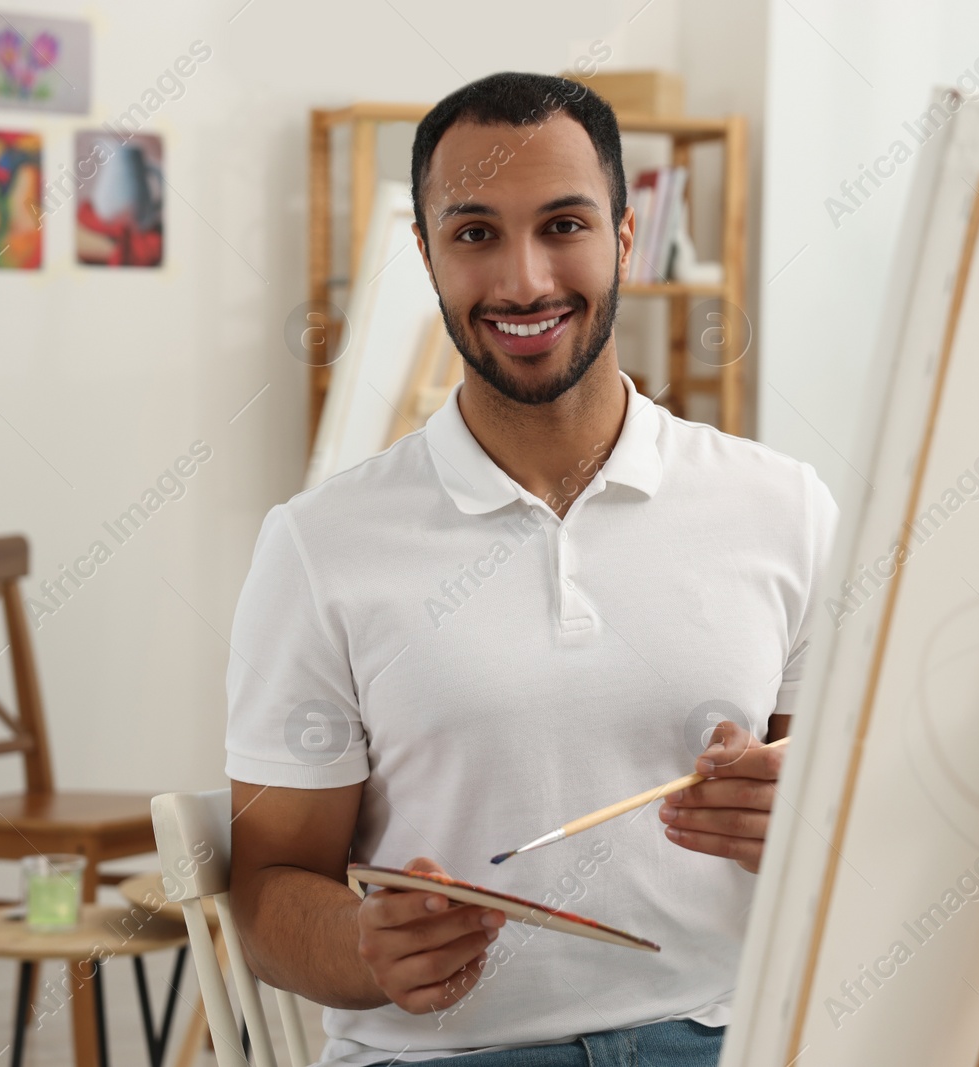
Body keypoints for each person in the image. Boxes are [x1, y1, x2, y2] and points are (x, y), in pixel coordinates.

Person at [224, 70, 838, 1067]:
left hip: (726, 1036)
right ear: (425, 255)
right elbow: (267, 886)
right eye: (475, 234)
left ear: (624, 238)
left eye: (563, 225)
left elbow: (855, 828)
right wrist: (367, 948)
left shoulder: (783, 506)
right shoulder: (318, 545)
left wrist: (805, 812)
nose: (522, 281)